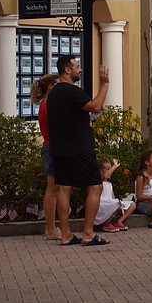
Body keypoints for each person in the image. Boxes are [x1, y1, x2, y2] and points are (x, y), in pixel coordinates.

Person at [48, 55, 110, 247]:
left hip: (60, 148)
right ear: (67, 70)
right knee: (96, 186)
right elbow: (96, 106)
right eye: (77, 67)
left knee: (64, 189)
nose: (80, 70)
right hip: (79, 148)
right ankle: (88, 233)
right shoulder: (71, 91)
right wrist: (105, 83)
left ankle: (66, 234)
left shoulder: (54, 93)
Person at [30, 73, 60, 241]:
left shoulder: (47, 104)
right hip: (52, 148)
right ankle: (50, 229)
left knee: (56, 189)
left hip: (53, 147)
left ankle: (52, 228)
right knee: (53, 189)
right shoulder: (48, 104)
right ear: (50, 87)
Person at [93, 158, 136, 233]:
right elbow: (105, 176)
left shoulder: (109, 184)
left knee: (132, 205)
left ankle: (119, 221)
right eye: (108, 169)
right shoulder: (98, 181)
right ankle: (107, 224)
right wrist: (115, 166)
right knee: (115, 204)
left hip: (110, 203)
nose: (111, 171)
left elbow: (112, 197)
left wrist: (119, 204)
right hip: (102, 204)